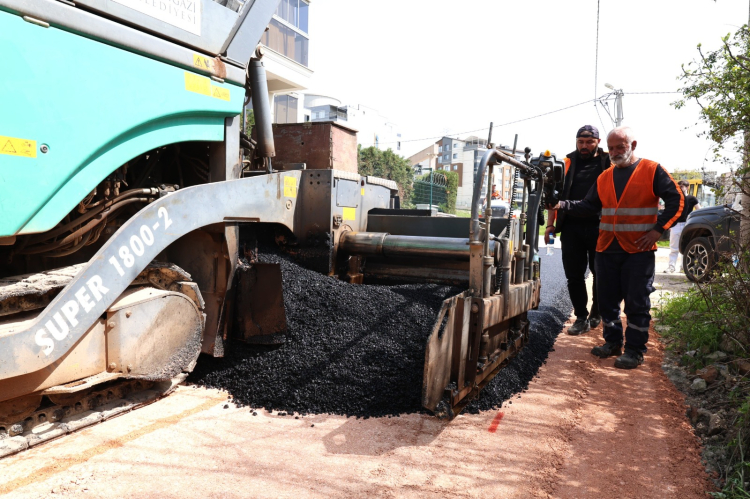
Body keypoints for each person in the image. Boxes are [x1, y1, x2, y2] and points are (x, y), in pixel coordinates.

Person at [553, 127, 684, 369]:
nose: (614, 152)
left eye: (619, 147)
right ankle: (613, 342)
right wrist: (561, 204)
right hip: (606, 248)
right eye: (611, 148)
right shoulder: (605, 177)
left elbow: (677, 200)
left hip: (638, 250)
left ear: (633, 145)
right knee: (607, 301)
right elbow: (588, 205)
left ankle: (635, 350)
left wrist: (658, 230)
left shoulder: (651, 170)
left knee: (636, 302)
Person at [545, 125, 609, 335]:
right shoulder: (566, 163)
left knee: (600, 273)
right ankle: (581, 317)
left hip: (601, 226)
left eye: (589, 142)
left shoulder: (608, 163)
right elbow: (554, 197)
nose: (584, 146)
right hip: (571, 226)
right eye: (581, 142)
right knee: (574, 275)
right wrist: (550, 225)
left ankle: (596, 312)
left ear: (598, 142)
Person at [667, 180, 701, 273]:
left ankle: (684, 267)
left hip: (687, 225)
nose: (680, 188)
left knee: (686, 247)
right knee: (673, 247)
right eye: (678, 186)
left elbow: (699, 210)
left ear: (687, 187)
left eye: (682, 186)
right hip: (675, 225)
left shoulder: (692, 198)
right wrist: (669, 224)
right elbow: (669, 211)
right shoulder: (675, 198)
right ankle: (671, 266)